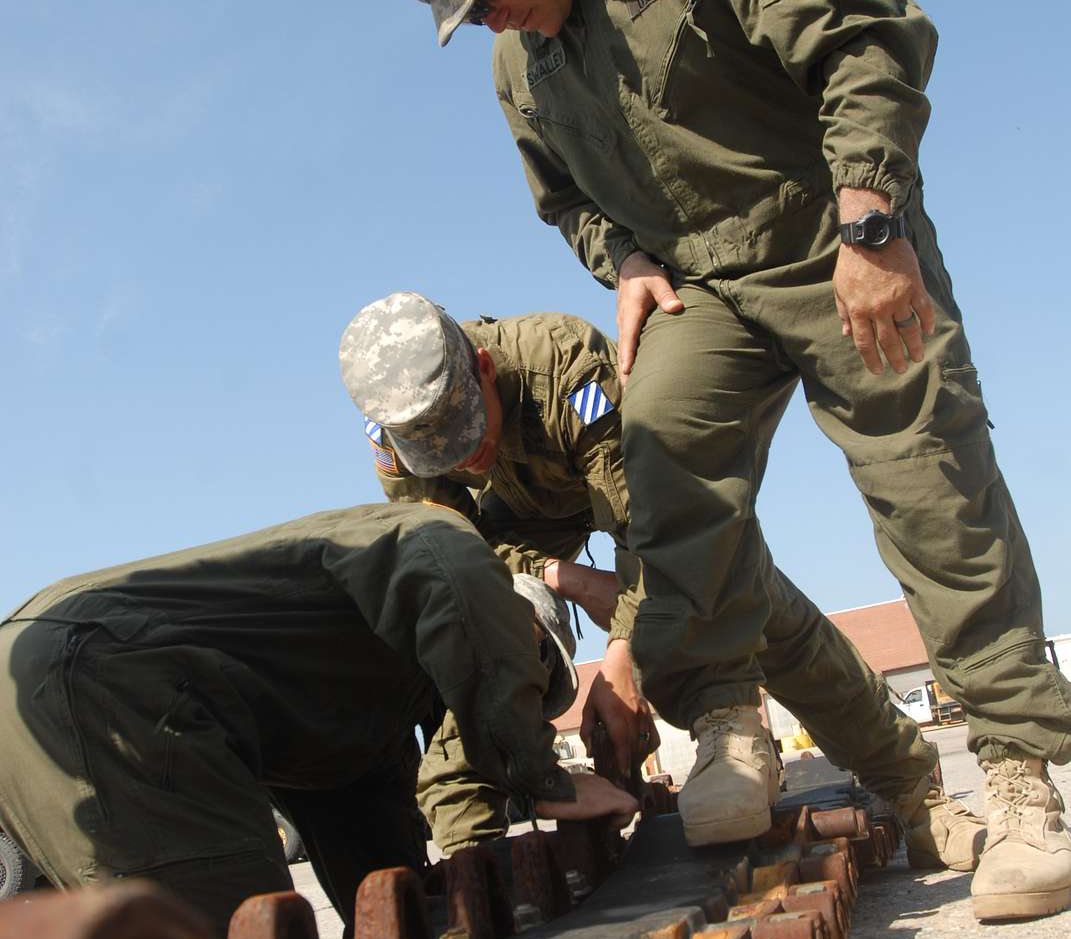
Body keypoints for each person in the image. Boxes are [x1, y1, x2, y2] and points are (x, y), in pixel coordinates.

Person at [386, 0, 1071, 923]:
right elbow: (566, 200)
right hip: (704, 281)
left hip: (831, 235)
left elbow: (861, 29)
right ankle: (723, 723)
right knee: (663, 447)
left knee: (929, 480)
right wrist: (629, 262)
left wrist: (874, 216)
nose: (486, 22)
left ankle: (1027, 780)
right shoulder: (522, 69)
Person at [339, 289, 983, 871]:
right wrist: (561, 578)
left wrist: (621, 658)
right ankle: (469, 847)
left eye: (472, 435)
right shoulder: (397, 431)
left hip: (623, 499)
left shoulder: (563, 366)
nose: (466, 457)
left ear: (482, 367)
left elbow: (650, 528)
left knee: (740, 588)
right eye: (444, 451)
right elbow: (451, 566)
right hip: (509, 536)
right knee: (484, 629)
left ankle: (912, 789)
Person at [0, 503, 635, 937]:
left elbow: (368, 833)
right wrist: (543, 776)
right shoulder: (441, 547)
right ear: (514, 620)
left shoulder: (355, 699)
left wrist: (424, 901)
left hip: (45, 664)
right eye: (531, 673)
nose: (518, 688)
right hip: (98, 672)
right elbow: (459, 578)